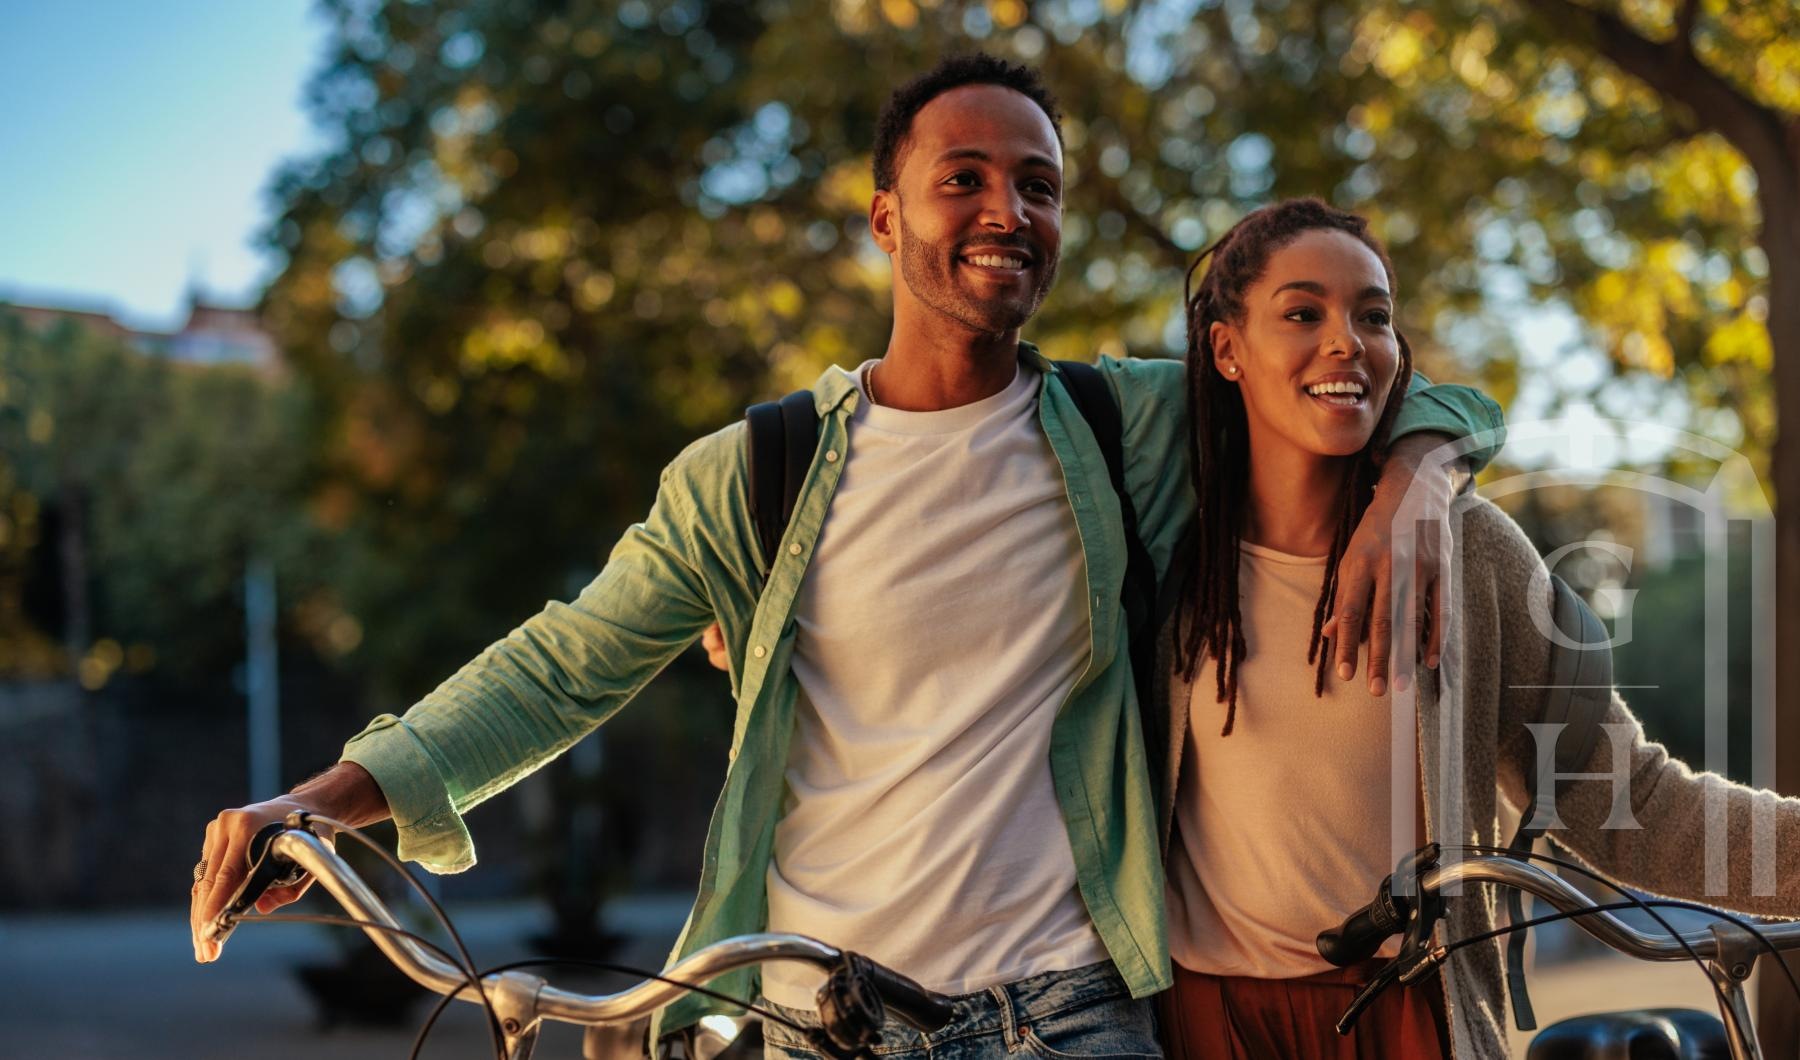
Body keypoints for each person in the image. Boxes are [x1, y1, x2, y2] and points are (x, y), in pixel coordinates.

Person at [190, 58, 1503, 1057]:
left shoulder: (1127, 426)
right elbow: (562, 668)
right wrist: (315, 804)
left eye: (1037, 186)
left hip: (1070, 1015)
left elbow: (1364, 381)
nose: (1009, 209)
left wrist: (1418, 478)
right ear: (887, 220)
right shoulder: (754, 473)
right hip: (814, 1017)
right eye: (966, 181)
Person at [1149, 196, 1800, 1059]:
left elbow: (1625, 800)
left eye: (1372, 316)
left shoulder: (1468, 548)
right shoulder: (1163, 539)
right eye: (1303, 312)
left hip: (1413, 1014)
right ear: (1226, 348)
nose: (1346, 340)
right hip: (1209, 1023)